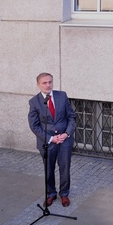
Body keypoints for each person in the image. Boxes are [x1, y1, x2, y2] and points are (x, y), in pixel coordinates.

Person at [28, 72, 76, 207]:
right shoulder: (34, 102)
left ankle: (64, 194)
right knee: (48, 169)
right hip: (47, 142)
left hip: (64, 140)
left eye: (50, 82)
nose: (48, 85)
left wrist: (67, 133)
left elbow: (71, 117)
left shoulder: (62, 96)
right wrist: (50, 139)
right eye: (44, 83)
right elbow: (34, 125)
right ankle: (51, 194)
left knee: (65, 168)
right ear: (38, 85)